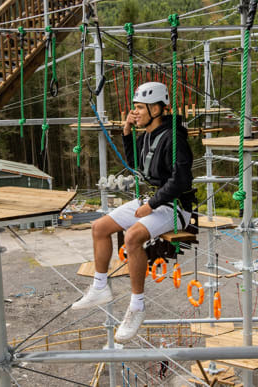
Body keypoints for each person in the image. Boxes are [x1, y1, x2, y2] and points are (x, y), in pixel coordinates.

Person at [72, 82, 194, 343]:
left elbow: (181, 180)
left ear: (156, 108)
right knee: (99, 228)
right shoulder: (148, 134)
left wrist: (151, 205)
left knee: (133, 237)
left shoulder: (175, 138)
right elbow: (135, 164)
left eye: (139, 108)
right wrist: (127, 132)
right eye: (135, 108)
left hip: (176, 207)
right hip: (152, 200)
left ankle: (137, 306)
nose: (135, 112)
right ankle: (100, 286)